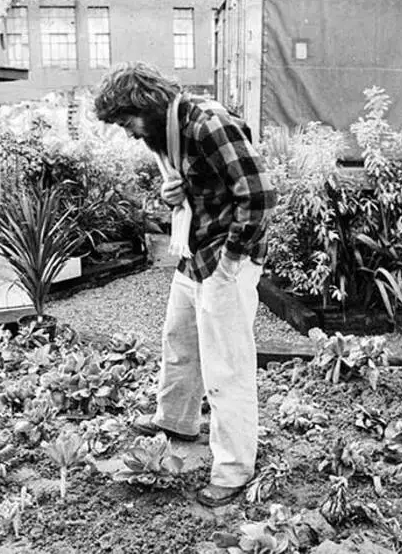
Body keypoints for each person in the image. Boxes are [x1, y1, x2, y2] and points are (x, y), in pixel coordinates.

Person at [94, 62, 277, 507]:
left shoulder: (208, 123)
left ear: (149, 104)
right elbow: (201, 186)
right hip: (193, 251)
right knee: (179, 340)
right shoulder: (170, 133)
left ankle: (233, 470)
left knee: (227, 368)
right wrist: (172, 195)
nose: (128, 133)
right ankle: (176, 421)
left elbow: (259, 194)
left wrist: (232, 259)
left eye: (127, 121)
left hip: (225, 257)